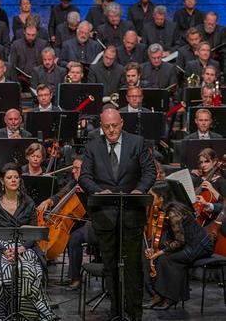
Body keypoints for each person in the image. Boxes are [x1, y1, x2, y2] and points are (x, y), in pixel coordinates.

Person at [79, 107, 156, 320]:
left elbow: (150, 171)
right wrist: (97, 190)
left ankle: (134, 314)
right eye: (106, 127)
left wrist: (139, 190)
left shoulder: (137, 142)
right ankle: (116, 312)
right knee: (111, 268)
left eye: (115, 125)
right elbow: (84, 177)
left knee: (132, 267)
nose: (111, 130)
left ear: (122, 123)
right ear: (101, 126)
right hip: (105, 216)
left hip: (131, 214)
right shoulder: (92, 146)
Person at [0, 163, 57, 321]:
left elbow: (34, 232)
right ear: (2, 181)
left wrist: (21, 248)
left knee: (27, 270)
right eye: (9, 177)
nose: (13, 180)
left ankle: (26, 312)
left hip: (24, 246)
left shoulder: (28, 202)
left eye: (16, 177)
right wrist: (4, 250)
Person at [145, 181, 213, 309]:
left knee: (168, 259)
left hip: (200, 245)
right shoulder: (168, 208)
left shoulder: (173, 213)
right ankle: (161, 295)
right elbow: (175, 237)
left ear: (161, 197)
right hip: (189, 243)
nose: (149, 199)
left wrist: (158, 252)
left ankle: (169, 297)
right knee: (163, 258)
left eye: (152, 196)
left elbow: (180, 241)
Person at [36, 156, 92, 291]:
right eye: (73, 168)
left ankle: (75, 278)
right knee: (70, 234)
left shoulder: (92, 184)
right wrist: (49, 201)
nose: (73, 171)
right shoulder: (74, 183)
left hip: (90, 222)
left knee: (74, 238)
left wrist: (87, 194)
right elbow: (60, 194)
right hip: (73, 221)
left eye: (77, 168)